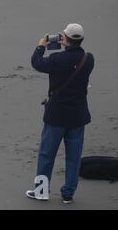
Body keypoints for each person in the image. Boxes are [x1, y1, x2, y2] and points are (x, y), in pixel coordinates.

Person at [26, 23, 94, 204]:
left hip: (56, 116)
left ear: (65, 39)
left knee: (46, 154)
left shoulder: (57, 60)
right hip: (78, 116)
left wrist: (41, 45)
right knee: (73, 157)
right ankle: (68, 194)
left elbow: (36, 62)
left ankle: (41, 191)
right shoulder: (88, 59)